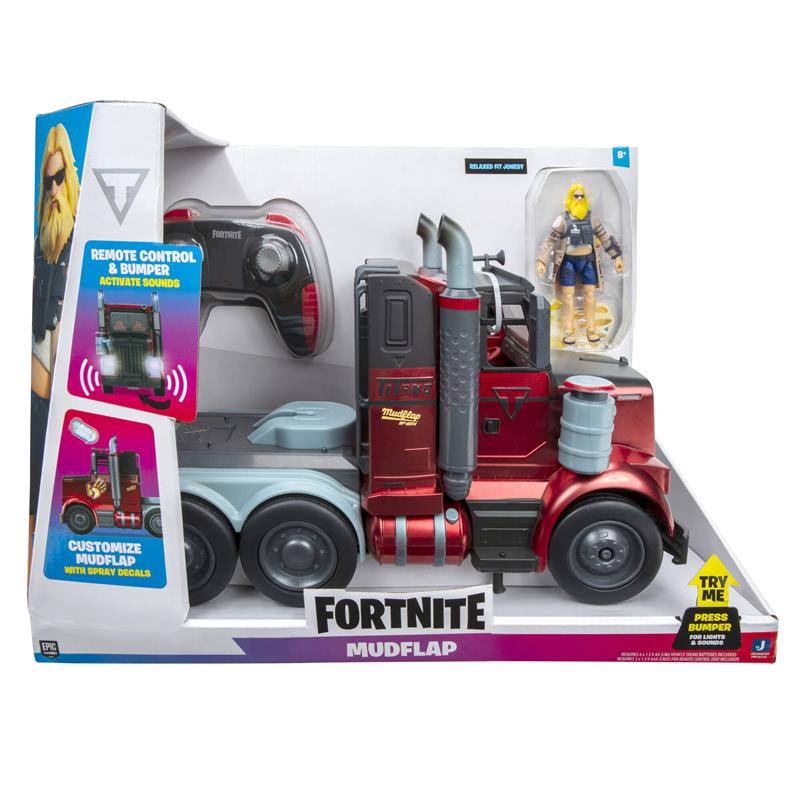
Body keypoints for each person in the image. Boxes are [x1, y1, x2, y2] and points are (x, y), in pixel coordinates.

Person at [536, 182, 624, 344]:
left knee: (590, 294)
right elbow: (550, 241)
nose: (578, 199)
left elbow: (606, 238)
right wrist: (542, 260)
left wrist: (617, 257)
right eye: (575, 196)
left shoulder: (592, 219)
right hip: (568, 262)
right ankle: (568, 329)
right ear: (570, 198)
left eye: (581, 196)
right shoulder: (562, 220)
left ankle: (591, 327)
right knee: (567, 296)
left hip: (588, 262)